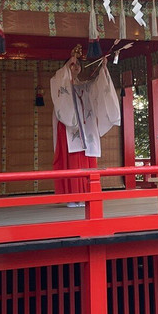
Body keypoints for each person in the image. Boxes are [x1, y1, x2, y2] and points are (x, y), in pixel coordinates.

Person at [50, 45, 119, 204]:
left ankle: (87, 195)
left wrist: (103, 69)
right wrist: (69, 64)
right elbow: (60, 82)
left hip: (86, 128)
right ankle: (73, 196)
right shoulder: (59, 81)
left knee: (87, 158)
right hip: (69, 127)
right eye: (72, 65)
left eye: (78, 65)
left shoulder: (85, 86)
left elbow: (98, 88)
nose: (76, 67)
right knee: (72, 160)